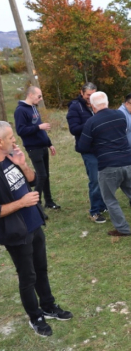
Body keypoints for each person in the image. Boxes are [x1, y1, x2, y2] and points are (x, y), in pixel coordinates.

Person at [0, 121, 72, 337]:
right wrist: (21, 203)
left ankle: (49, 306)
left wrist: (22, 164)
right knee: (27, 276)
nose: (15, 140)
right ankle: (35, 317)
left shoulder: (11, 160)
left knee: (41, 268)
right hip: (16, 233)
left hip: (34, 223)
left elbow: (32, 180)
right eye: (11, 137)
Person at [78, 92, 131, 236]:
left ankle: (123, 229)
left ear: (93, 106)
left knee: (110, 199)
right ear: (106, 103)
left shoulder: (91, 122)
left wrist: (97, 146)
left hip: (108, 165)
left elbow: (82, 147)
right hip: (127, 161)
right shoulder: (120, 116)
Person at [14, 86, 60, 213]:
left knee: (46, 175)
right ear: (30, 95)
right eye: (39, 96)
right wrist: (38, 127)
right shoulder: (20, 110)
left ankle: (49, 202)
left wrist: (49, 144)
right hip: (33, 148)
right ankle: (36, 205)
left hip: (43, 146)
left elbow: (40, 129)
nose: (40, 99)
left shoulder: (34, 107)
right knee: (41, 175)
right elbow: (20, 130)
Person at [66, 82, 107, 223]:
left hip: (101, 147)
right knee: (95, 179)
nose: (91, 98)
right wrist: (92, 121)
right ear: (82, 93)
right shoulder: (75, 107)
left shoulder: (98, 105)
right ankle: (94, 211)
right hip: (88, 149)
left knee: (104, 177)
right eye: (88, 95)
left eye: (93, 95)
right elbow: (73, 128)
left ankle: (102, 205)